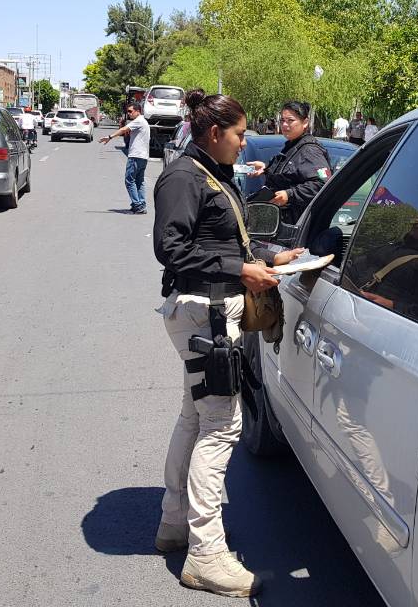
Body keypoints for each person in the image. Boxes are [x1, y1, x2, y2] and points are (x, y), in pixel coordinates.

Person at [152, 89, 303, 597]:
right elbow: (171, 250)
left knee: (195, 418)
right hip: (205, 312)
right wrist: (241, 270)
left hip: (209, 308)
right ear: (214, 133)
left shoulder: (210, 173)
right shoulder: (182, 176)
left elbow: (222, 239)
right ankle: (206, 553)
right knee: (222, 428)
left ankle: (176, 524)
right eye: (239, 135)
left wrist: (271, 258)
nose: (244, 144)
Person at [246, 101, 333, 225]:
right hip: (277, 222)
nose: (285, 125)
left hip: (295, 226)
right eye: (282, 120)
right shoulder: (293, 145)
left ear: (305, 123)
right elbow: (291, 173)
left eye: (290, 120)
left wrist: (289, 194)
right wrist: (267, 168)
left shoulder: (310, 150)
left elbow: (322, 184)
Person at [99, 101, 150, 214]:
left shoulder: (139, 121)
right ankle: (141, 204)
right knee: (139, 181)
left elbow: (123, 129)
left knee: (129, 180)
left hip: (136, 156)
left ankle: (138, 205)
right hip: (143, 156)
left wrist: (109, 137)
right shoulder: (144, 122)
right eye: (128, 112)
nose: (129, 114)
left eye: (130, 111)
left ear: (138, 111)